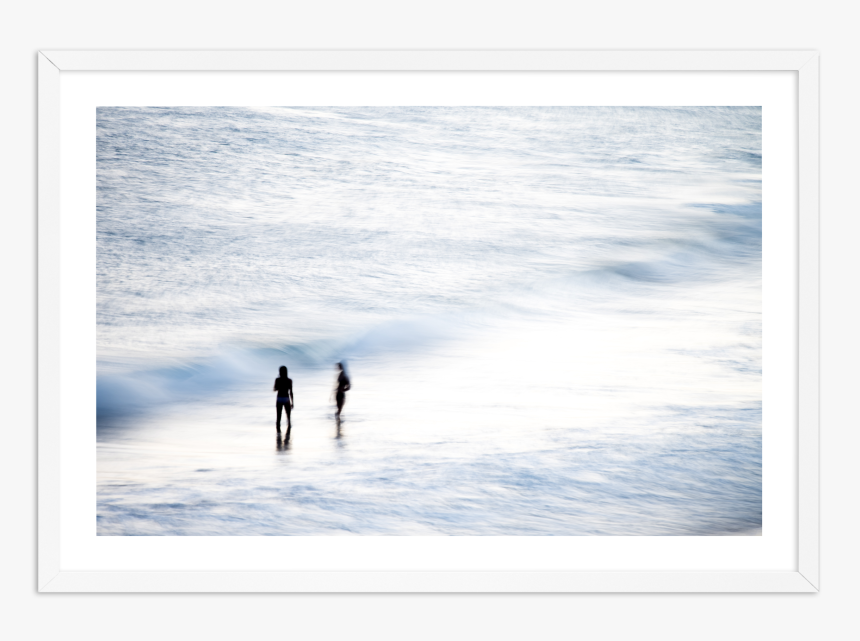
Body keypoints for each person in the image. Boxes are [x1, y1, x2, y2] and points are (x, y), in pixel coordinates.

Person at [273, 366, 294, 435]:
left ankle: (278, 436)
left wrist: (278, 387)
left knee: (278, 418)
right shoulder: (289, 380)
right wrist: (292, 402)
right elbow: (291, 392)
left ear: (280, 372)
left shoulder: (277, 380)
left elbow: (275, 389)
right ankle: (288, 436)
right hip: (286, 398)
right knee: (288, 418)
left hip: (279, 398)